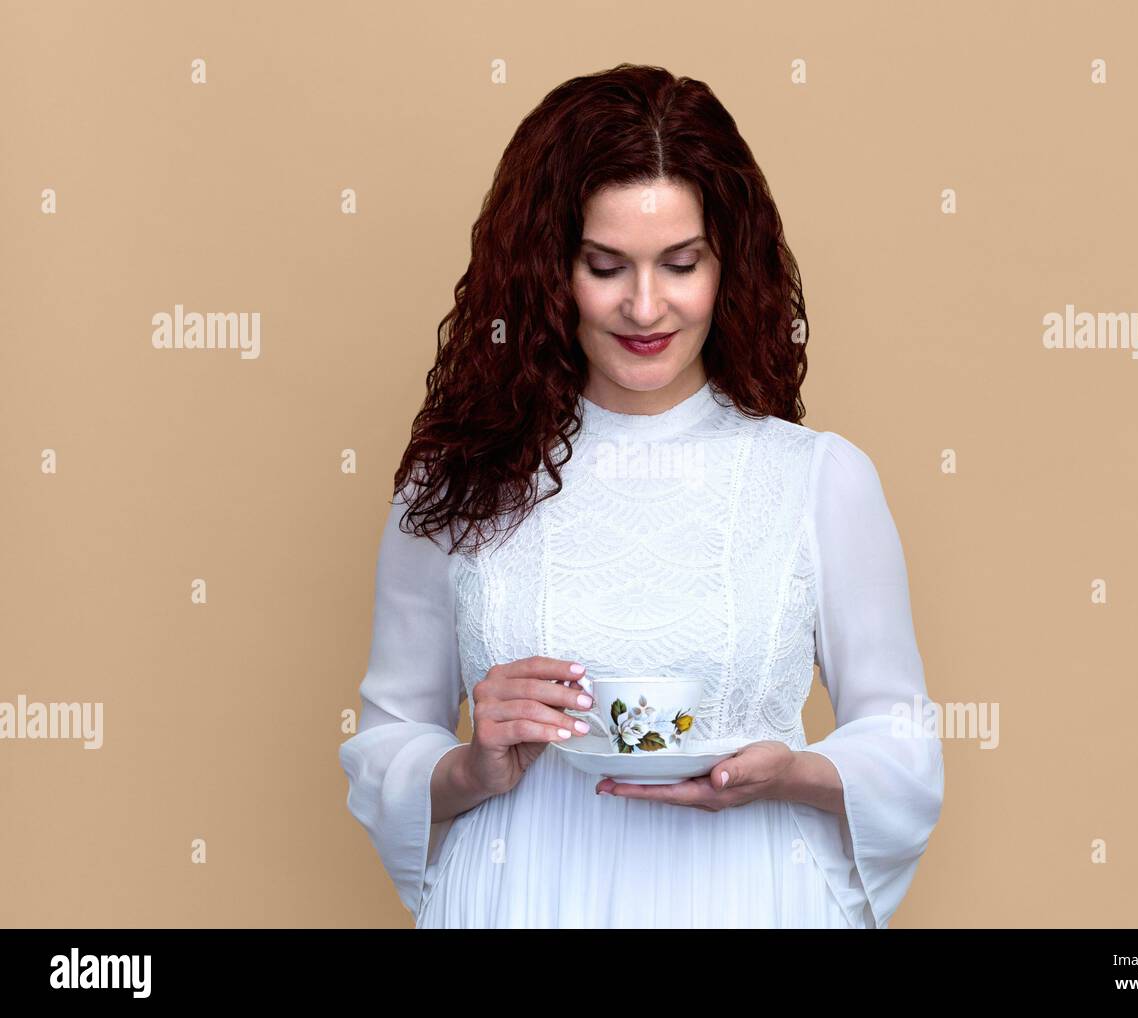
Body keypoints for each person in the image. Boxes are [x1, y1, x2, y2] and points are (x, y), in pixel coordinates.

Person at [338, 63, 943, 929]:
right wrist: (475, 765)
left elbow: (902, 742)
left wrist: (786, 772)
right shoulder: (459, 483)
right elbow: (386, 742)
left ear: (728, 267)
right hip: (525, 896)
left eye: (682, 263)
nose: (646, 306)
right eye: (606, 265)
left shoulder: (818, 478)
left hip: (748, 896)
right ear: (550, 270)